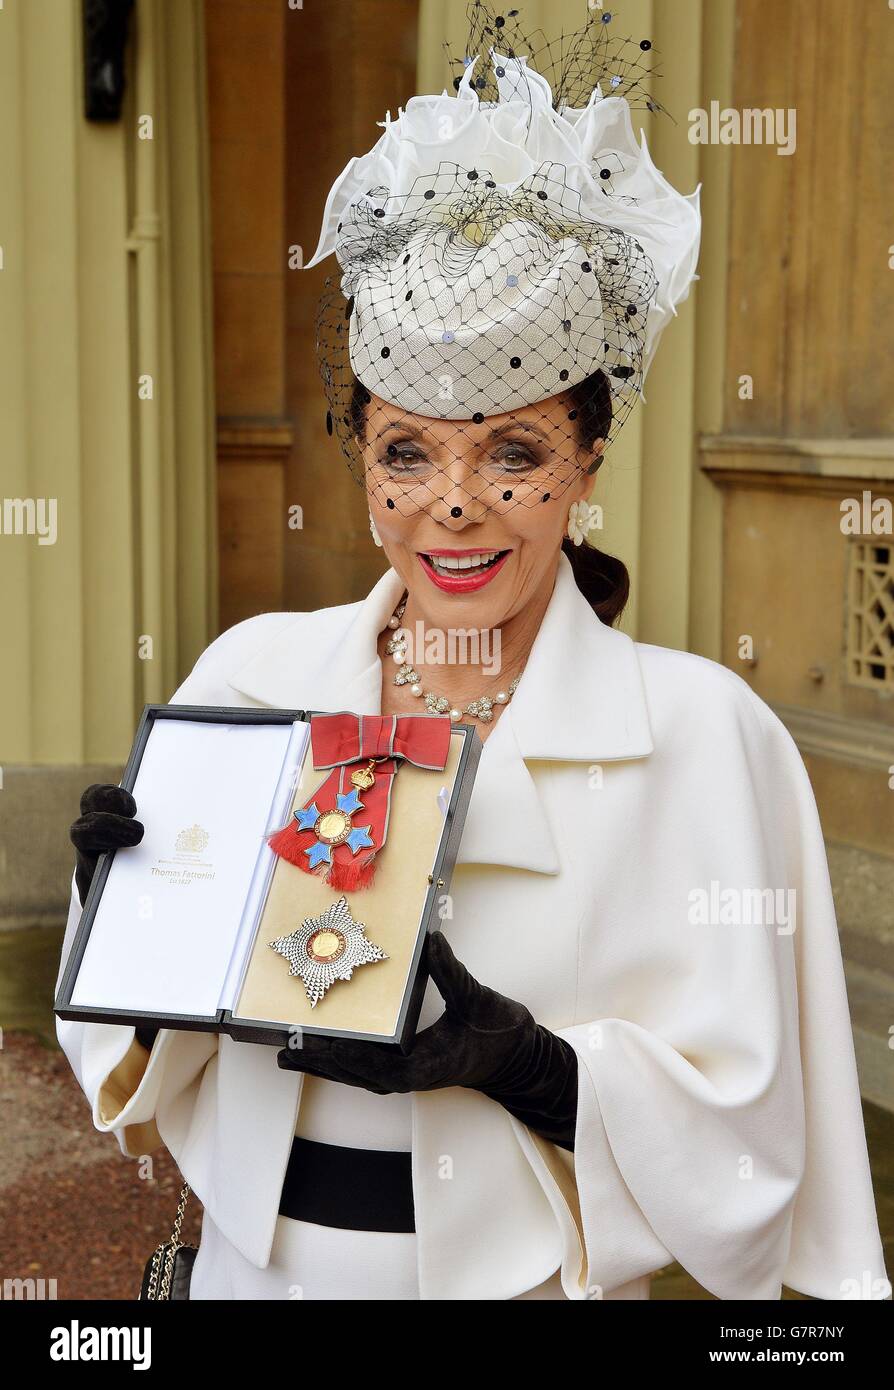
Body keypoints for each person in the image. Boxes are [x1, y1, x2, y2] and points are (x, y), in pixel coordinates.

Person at [57, 5, 886, 1300]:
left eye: (512, 453)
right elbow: (142, 1041)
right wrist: (122, 910)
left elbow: (753, 1130)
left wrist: (527, 1065)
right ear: (357, 458)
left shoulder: (703, 734)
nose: (454, 502)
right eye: (407, 452)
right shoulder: (248, 683)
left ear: (586, 461)